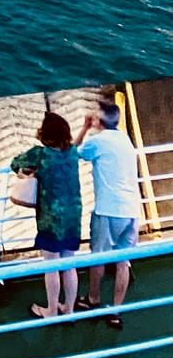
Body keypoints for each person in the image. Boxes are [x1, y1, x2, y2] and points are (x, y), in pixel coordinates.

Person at [76, 100, 145, 327]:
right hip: (132, 210)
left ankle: (93, 299)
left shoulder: (97, 141)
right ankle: (115, 311)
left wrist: (85, 128)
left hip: (108, 210)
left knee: (99, 256)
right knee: (123, 261)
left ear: (99, 121)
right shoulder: (125, 139)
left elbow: (74, 153)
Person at [11, 110, 83, 319]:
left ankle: (51, 310)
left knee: (51, 265)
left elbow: (16, 163)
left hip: (51, 219)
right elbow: (74, 146)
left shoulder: (40, 154)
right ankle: (68, 308)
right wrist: (85, 128)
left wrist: (27, 173)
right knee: (69, 263)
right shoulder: (71, 153)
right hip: (73, 216)